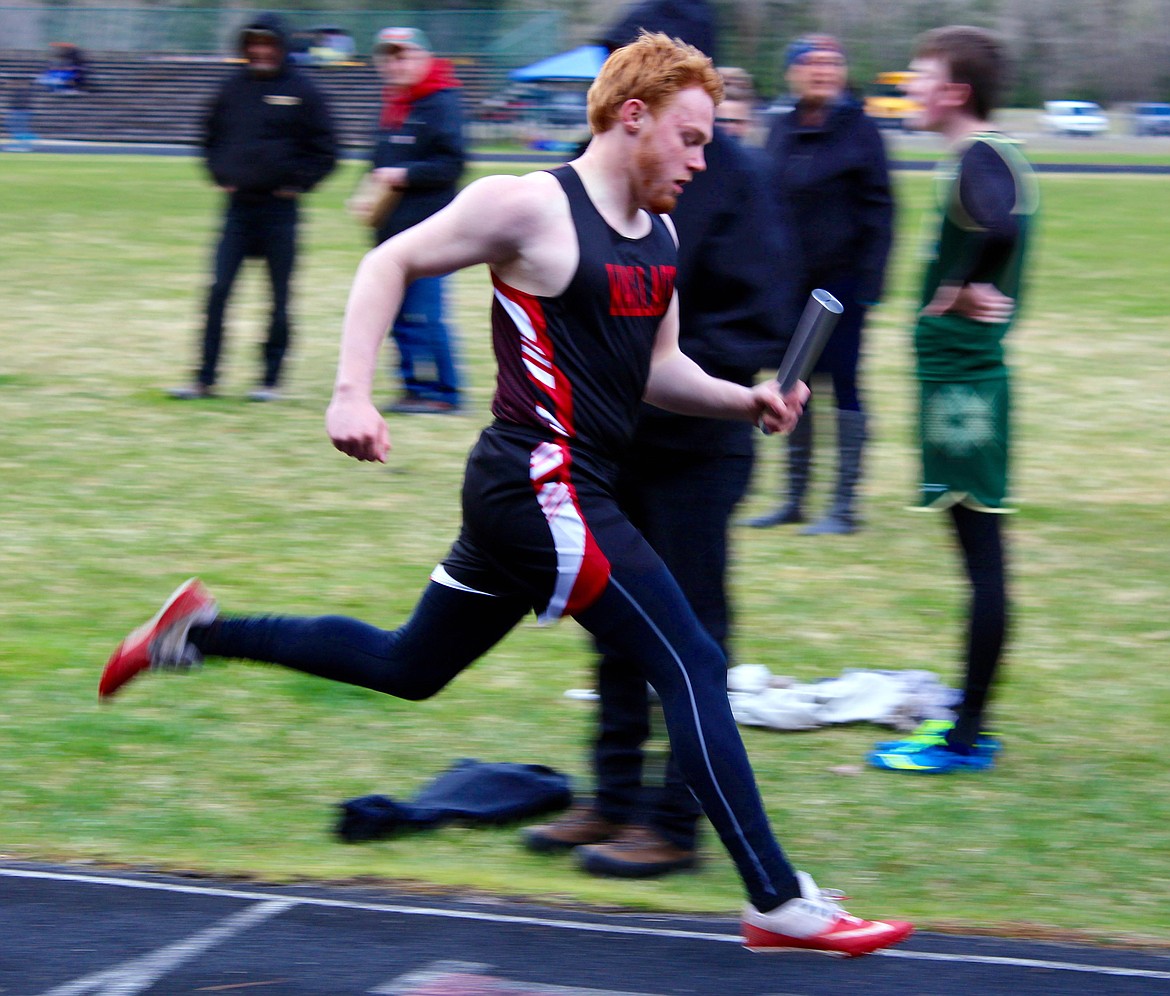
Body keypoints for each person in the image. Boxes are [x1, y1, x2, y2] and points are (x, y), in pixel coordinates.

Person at [99, 32, 911, 957]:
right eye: (690, 138)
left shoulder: (663, 234)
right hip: (537, 482)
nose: (702, 159)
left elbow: (658, 369)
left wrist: (748, 400)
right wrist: (350, 393)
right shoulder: (526, 207)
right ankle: (777, 895)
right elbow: (387, 264)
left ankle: (193, 635)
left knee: (409, 666)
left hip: (553, 492)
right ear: (632, 116)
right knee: (690, 663)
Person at [522, 68, 796, 880]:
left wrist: (681, 368)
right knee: (612, 620)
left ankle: (675, 823)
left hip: (696, 449)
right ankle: (611, 795)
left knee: (693, 631)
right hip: (616, 441)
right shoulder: (607, 164)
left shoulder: (730, 175)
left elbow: (761, 311)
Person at [868, 26, 1037, 774]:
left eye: (921, 74)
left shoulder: (980, 158)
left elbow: (998, 223)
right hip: (963, 382)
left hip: (966, 387)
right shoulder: (988, 157)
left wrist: (964, 286)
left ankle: (967, 736)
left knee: (982, 560)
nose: (911, 86)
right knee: (978, 556)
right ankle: (968, 722)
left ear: (956, 92)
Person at [746, 35, 893, 534]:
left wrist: (872, 283)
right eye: (811, 63)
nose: (823, 71)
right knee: (792, 386)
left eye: (833, 63)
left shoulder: (861, 131)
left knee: (844, 383)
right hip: (789, 285)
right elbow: (765, 202)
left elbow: (881, 209)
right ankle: (794, 500)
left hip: (844, 284)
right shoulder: (781, 128)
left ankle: (844, 507)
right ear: (791, 73)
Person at [170, 13, 338, 402]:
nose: (260, 51)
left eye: (268, 44)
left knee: (279, 298)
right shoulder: (231, 89)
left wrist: (297, 183)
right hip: (238, 211)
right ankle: (204, 379)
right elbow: (208, 137)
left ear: (280, 47)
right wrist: (218, 172)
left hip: (280, 213)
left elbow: (327, 151)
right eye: (254, 44)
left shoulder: (304, 91)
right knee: (218, 291)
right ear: (246, 47)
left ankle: (269, 381)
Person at [367, 26, 466, 415]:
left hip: (431, 230)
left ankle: (446, 394)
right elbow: (379, 161)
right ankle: (414, 388)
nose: (395, 64)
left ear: (423, 59)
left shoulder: (442, 101)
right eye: (388, 56)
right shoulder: (396, 104)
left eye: (403, 55)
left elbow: (452, 164)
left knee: (427, 314)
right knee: (398, 315)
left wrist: (402, 175)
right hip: (393, 230)